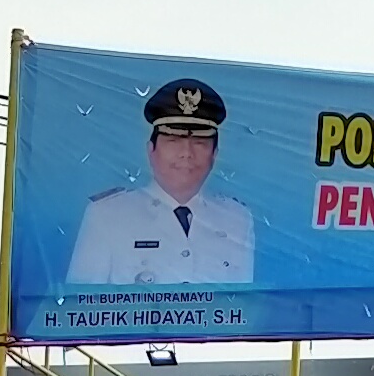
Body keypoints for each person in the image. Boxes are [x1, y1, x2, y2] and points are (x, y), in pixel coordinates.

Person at [64, 77, 254, 285]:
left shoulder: (236, 219)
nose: (186, 153)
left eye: (199, 142)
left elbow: (240, 308)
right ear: (151, 151)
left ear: (214, 154)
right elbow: (81, 307)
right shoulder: (107, 215)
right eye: (173, 141)